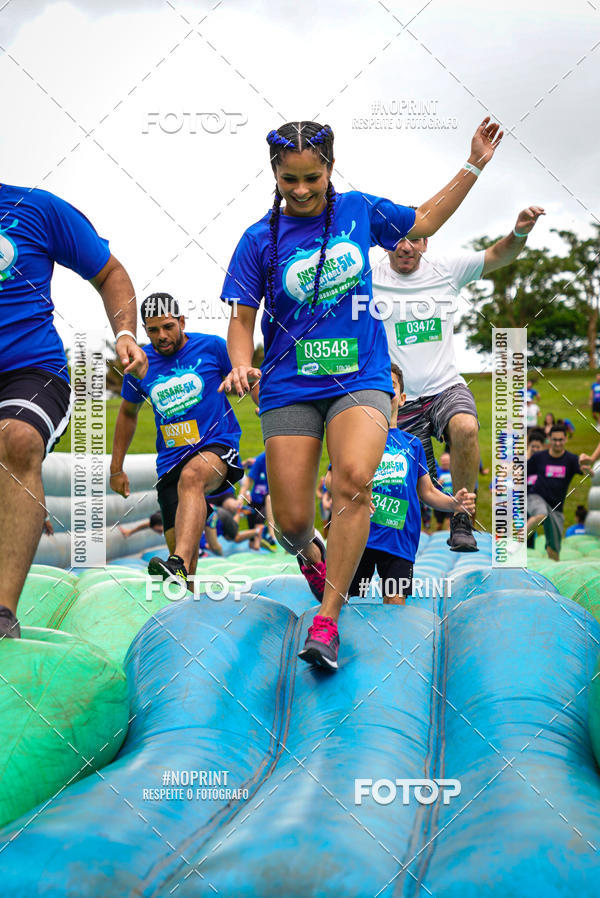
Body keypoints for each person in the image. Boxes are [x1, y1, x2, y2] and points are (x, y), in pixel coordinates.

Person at [219, 117, 503, 669]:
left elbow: (425, 218)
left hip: (361, 377)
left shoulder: (357, 211)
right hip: (288, 384)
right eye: (289, 179)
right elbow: (241, 316)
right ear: (274, 174)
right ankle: (312, 554)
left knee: (353, 481)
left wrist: (474, 165)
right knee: (294, 520)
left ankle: (328, 620)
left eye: (312, 178)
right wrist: (238, 365)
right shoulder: (257, 241)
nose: (301, 190)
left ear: (329, 169)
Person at [0, 184, 147, 639]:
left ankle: (2, 613)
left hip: (29, 371)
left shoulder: (36, 209)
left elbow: (109, 273)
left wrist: (124, 333)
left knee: (17, 439)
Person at [372, 204, 544, 552]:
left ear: (426, 243)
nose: (407, 247)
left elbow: (499, 255)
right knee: (413, 487)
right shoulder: (369, 279)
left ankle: (463, 518)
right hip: (398, 398)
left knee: (465, 426)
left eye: (417, 239)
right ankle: (389, 547)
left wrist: (521, 231)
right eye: (399, 239)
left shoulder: (447, 269)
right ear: (386, 241)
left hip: (445, 386)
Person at [110, 293, 243, 583]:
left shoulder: (212, 347)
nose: (162, 336)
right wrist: (116, 468)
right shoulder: (140, 364)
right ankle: (184, 575)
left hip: (216, 447)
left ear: (182, 321)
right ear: (145, 331)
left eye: (169, 326)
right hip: (171, 464)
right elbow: (127, 415)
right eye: (153, 330)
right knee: (184, 578)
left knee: (192, 476)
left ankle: (178, 560)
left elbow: (244, 374)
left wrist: (263, 405)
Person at [329, 365, 475, 604]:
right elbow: (330, 478)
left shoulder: (413, 444)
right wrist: (353, 497)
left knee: (395, 605)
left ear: (403, 398)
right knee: (349, 603)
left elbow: (427, 491)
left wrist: (454, 503)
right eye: (380, 386)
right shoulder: (355, 438)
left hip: (399, 541)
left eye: (392, 386)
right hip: (358, 534)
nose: (386, 391)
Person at [526, 424, 590, 560]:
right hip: (536, 497)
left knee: (554, 549)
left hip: (556, 507)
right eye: (554, 439)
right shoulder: (539, 457)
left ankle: (553, 572)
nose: (558, 443)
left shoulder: (571, 459)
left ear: (566, 439)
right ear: (549, 439)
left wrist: (588, 468)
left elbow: (584, 469)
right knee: (540, 514)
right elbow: (522, 471)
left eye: (560, 440)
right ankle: (517, 543)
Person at [238, 451, 277, 551]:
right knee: (251, 517)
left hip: (268, 497)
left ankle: (266, 538)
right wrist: (242, 495)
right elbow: (249, 479)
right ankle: (257, 540)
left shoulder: (280, 461)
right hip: (256, 498)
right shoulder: (260, 460)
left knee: (260, 517)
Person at [434, 451, 453, 531]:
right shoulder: (437, 471)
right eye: (443, 461)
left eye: (447, 461)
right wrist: (437, 483)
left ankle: (448, 539)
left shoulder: (454, 471)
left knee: (449, 522)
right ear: (441, 461)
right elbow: (430, 486)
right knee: (439, 524)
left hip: (450, 500)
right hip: (439, 500)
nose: (445, 463)